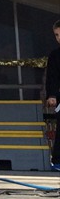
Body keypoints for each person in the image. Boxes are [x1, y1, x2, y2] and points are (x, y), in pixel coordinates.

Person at [45, 19, 60, 172]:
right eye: (56, 35)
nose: (59, 38)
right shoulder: (55, 55)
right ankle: (57, 161)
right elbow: (52, 77)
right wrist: (52, 95)